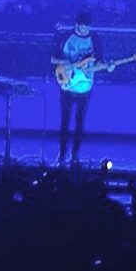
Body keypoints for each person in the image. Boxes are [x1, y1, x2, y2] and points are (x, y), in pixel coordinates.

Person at [50, 10, 113, 165]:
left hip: (85, 86)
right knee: (65, 121)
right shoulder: (65, 37)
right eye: (82, 28)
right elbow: (52, 58)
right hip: (67, 85)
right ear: (76, 25)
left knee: (80, 121)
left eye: (87, 28)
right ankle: (62, 154)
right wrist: (65, 62)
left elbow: (99, 61)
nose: (85, 31)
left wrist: (107, 66)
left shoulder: (95, 39)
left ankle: (75, 155)